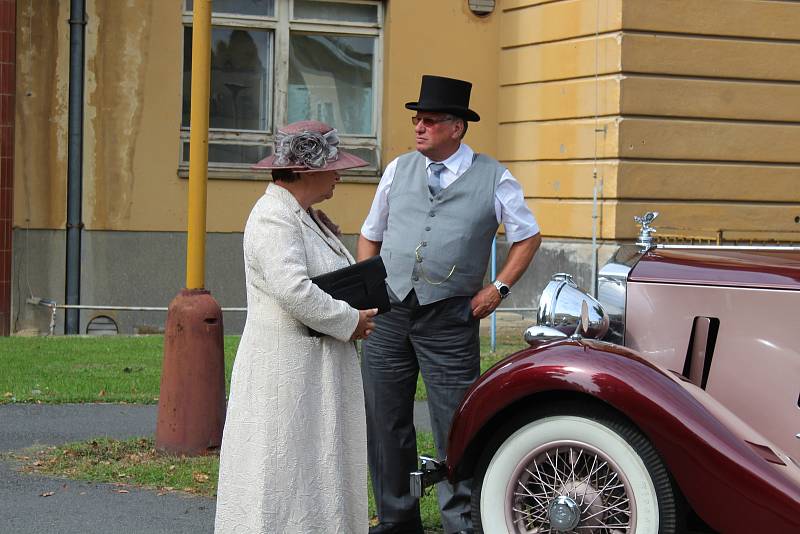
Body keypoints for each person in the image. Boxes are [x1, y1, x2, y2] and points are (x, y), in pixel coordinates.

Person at [358, 75, 541, 534]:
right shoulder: (397, 170)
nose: (419, 127)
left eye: (430, 120)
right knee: (385, 420)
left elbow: (528, 236)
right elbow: (369, 233)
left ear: (457, 128)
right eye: (416, 119)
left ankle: (461, 521)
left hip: (450, 315)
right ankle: (397, 518)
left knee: (458, 424)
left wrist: (497, 289)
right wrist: (370, 288)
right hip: (391, 313)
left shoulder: (495, 178)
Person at [214, 120, 378, 533]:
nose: (340, 173)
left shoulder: (304, 216)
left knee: (314, 469)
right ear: (306, 171)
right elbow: (294, 290)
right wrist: (349, 320)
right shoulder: (273, 217)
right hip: (285, 372)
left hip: (312, 371)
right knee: (282, 472)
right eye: (334, 165)